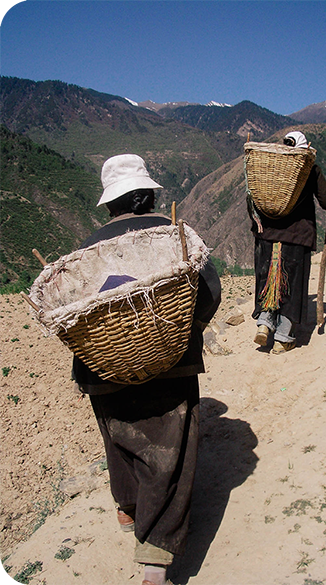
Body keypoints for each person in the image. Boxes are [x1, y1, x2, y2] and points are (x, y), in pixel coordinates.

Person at [72, 154, 221, 585]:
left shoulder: (86, 249)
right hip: (169, 364)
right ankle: (156, 557)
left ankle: (129, 508)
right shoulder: (175, 237)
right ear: (150, 194)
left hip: (102, 369)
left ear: (110, 204)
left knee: (120, 436)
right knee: (170, 451)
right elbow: (209, 291)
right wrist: (181, 331)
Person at [248, 131, 326, 354]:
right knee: (292, 286)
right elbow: (325, 201)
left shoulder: (270, 166)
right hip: (297, 236)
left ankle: (265, 325)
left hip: (267, 234)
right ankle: (283, 338)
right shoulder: (309, 168)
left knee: (269, 279)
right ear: (305, 149)